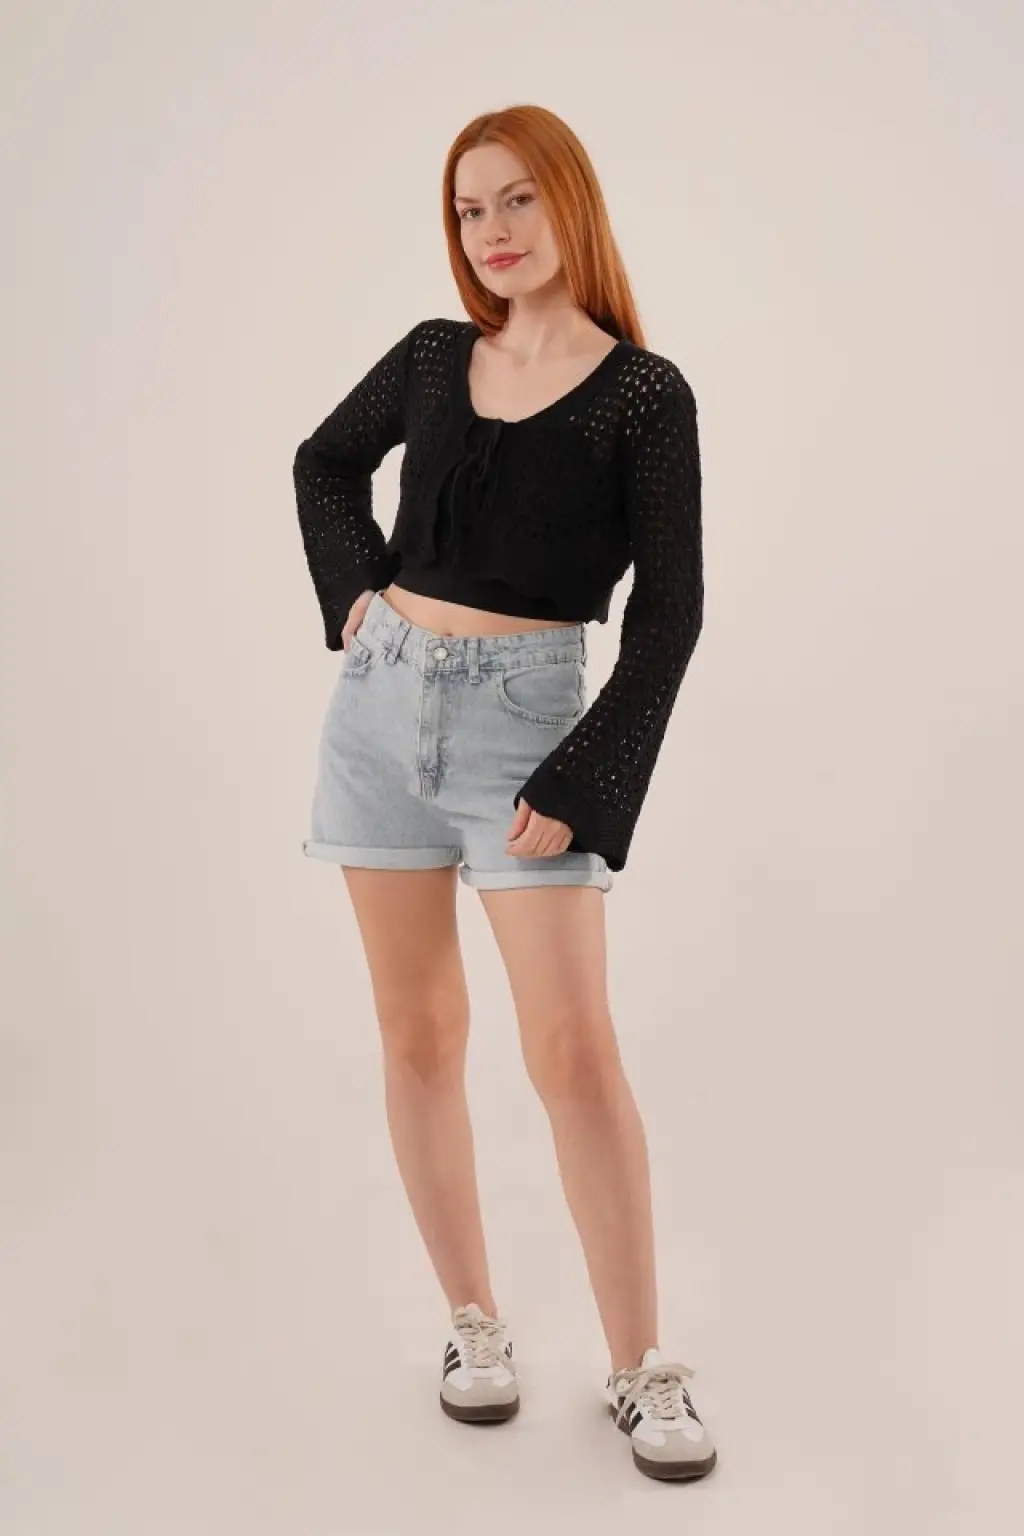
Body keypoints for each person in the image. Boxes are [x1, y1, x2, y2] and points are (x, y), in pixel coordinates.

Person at [292, 104, 714, 1483]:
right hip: (378, 717)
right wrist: (354, 593)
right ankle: (472, 1322)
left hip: (529, 732)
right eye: (470, 210)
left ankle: (641, 1369)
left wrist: (590, 773)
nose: (493, 232)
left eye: (518, 200)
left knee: (573, 1050)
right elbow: (323, 463)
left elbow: (668, 616)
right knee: (418, 1033)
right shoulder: (432, 356)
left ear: (569, 202)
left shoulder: (644, 394)